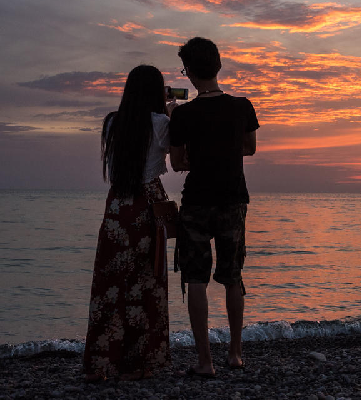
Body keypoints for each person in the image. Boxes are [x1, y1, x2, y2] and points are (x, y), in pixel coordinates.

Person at [169, 37, 259, 378]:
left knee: (195, 279)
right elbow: (248, 149)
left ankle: (205, 362)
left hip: (196, 203)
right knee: (233, 277)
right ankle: (235, 354)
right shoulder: (242, 107)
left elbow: (177, 163)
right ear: (219, 66)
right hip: (233, 200)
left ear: (189, 73)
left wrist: (196, 153)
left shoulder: (184, 114)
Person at [83, 64, 177, 382]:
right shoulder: (162, 122)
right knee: (148, 282)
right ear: (156, 92)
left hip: (118, 204)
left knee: (111, 283)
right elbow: (175, 159)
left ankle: (104, 363)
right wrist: (170, 112)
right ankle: (144, 363)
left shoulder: (112, 122)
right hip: (148, 204)